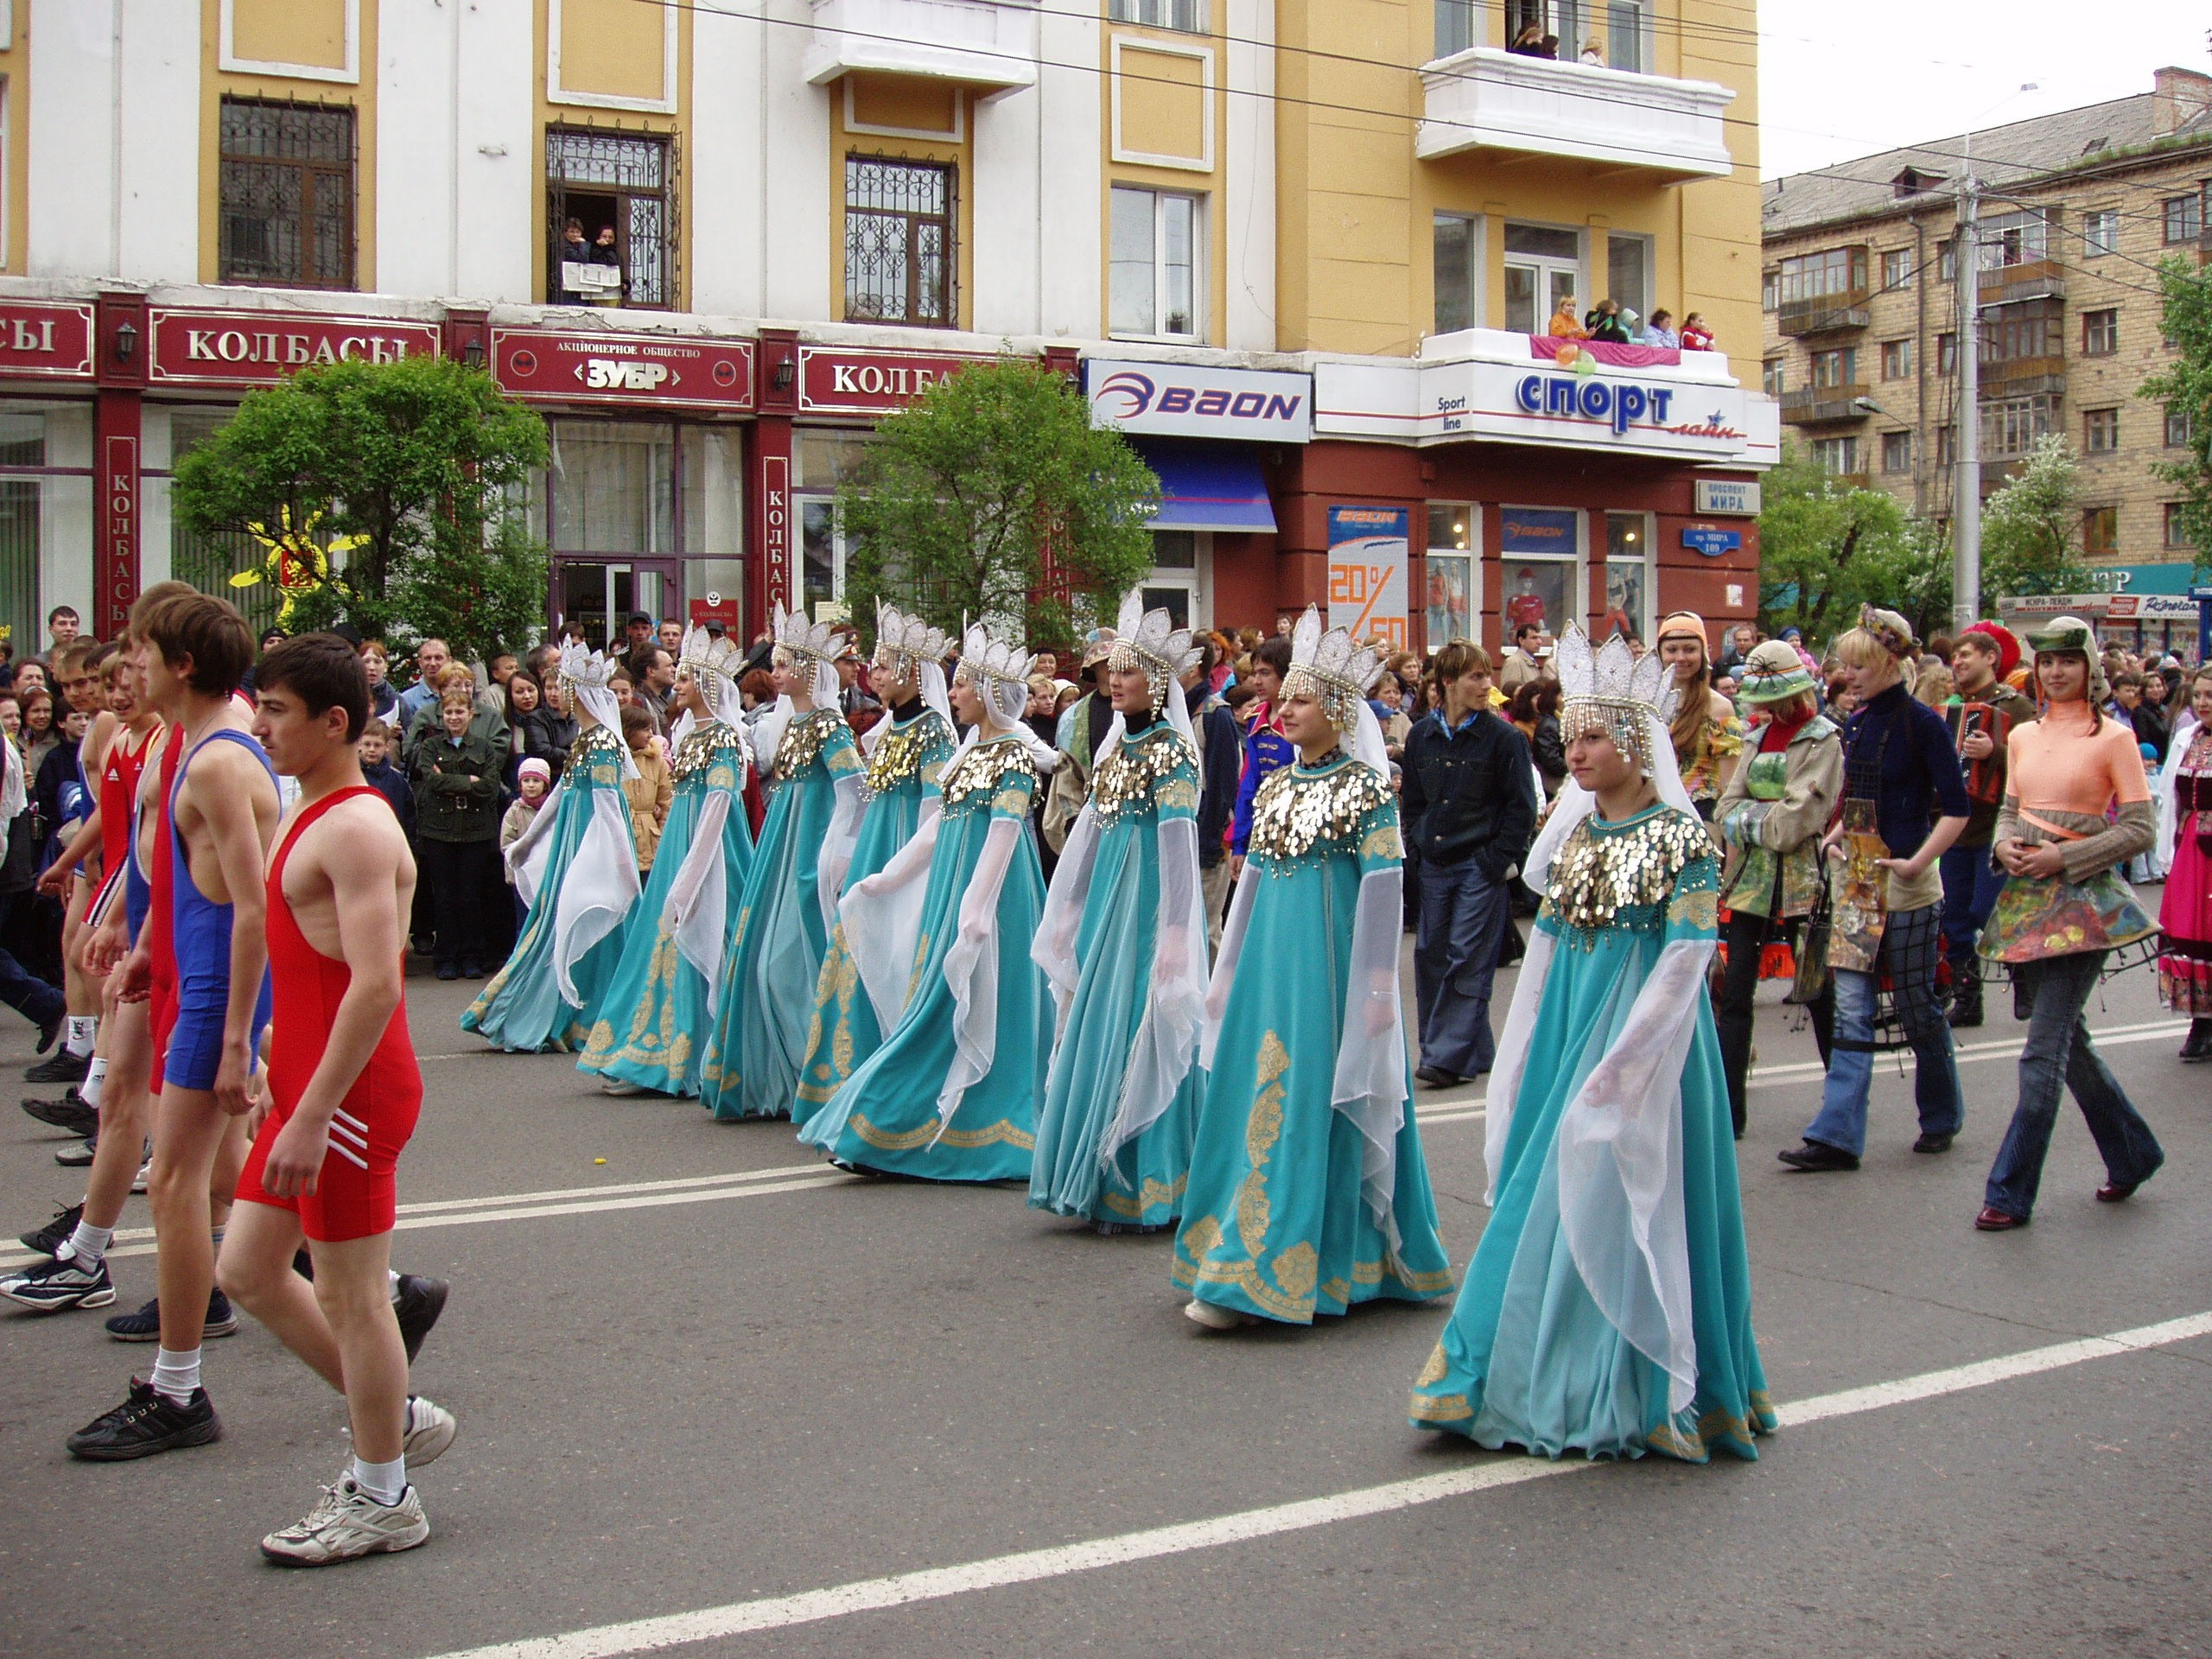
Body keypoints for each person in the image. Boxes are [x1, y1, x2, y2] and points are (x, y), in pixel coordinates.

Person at [1409, 625, 1773, 1463]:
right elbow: (1543, 956)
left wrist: (1625, 1068)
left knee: (1632, 1198)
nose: (1574, 751)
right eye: (1569, 736)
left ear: (1639, 745)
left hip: (1647, 1046)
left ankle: (1633, 1388)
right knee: (1548, 1191)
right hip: (1573, 1031)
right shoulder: (1573, 839)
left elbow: (1683, 963)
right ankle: (1515, 1373)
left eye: (1594, 735)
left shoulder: (1680, 841)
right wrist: (1527, 1049)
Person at [205, 634, 454, 1561]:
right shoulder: (302, 811)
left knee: (353, 1296)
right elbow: (305, 963)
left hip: (349, 1097)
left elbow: (378, 984)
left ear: (334, 722)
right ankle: (396, 1414)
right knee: (249, 1273)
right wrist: (274, 1050)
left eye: (274, 711)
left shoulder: (355, 826)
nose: (260, 724)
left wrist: (312, 1109)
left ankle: (385, 1495)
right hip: (309, 1080)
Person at [1175, 607, 1451, 1329]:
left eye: (1299, 698)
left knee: (1308, 1099)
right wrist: (1226, 973)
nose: (1282, 709)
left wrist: (1379, 992)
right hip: (1270, 965)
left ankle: (1270, 1270)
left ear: (1336, 707)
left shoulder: (1365, 789)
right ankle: (1240, 1251)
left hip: (1329, 975)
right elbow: (1252, 887)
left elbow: (1385, 892)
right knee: (1256, 1095)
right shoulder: (1278, 786)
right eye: (1282, 697)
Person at [64, 591, 280, 1459]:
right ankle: (372, 1299)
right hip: (192, 978)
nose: (131, 666)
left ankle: (179, 1389)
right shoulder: (185, 744)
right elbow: (186, 875)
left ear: (183, 665)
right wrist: (147, 941)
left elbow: (255, 908)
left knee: (178, 1185)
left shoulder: (221, 760)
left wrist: (233, 1036)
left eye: (144, 651)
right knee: (207, 1179)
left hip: (217, 990)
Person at [799, 621, 1055, 1180]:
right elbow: (941, 824)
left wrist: (977, 910)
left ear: (988, 694)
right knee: (936, 1005)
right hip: (953, 892)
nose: (954, 693)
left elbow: (1004, 835)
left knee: (971, 1004)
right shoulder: (970, 751)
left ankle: (962, 1129)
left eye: (963, 685)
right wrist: (888, 878)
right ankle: (891, 1127)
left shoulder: (1011, 756)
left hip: (995, 903)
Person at [1974, 618, 2164, 1230]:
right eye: (2047, 661)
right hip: (2027, 899)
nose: (2056, 672)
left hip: (2084, 905)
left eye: (2068, 661)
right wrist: (2004, 846)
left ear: (2089, 668)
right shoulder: (2024, 734)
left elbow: (2140, 829)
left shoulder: (2114, 738)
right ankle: (2133, 1153)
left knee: (2042, 1050)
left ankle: (2008, 1191)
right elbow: (2009, 808)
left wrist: (2065, 856)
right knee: (2064, 1042)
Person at [1031, 598, 1207, 1230]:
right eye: (1112, 671)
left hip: (1149, 908)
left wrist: (1179, 935)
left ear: (1157, 681)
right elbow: (1091, 837)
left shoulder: (1171, 753)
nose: (1114, 680)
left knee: (1144, 1023)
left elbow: (1181, 853)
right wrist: (1069, 908)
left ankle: (1150, 1179)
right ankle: (1091, 1171)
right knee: (1099, 1023)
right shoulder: (1117, 747)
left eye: (1128, 671)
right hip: (1111, 903)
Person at [1779, 607, 1972, 1174]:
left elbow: (1956, 809)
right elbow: (1861, 798)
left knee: (1916, 1007)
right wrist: (1834, 838)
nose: (1848, 674)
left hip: (1908, 888)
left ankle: (1941, 1115)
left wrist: (1917, 863)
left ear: (1891, 661)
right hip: (1859, 884)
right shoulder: (1858, 721)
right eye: (1845, 664)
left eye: (1859, 664)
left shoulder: (1923, 723)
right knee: (1852, 1013)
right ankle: (1836, 1135)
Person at [792, 604, 956, 1122]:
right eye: (876, 665)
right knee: (855, 959)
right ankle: (846, 1087)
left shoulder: (933, 732)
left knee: (894, 961)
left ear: (911, 672)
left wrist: (907, 877)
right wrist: (847, 854)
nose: (874, 674)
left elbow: (934, 813)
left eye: (885, 666)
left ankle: (889, 1097)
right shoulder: (889, 730)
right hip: (873, 851)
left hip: (903, 856)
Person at [700, 607, 862, 1121]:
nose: (778, 672)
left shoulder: (830, 728)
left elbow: (854, 792)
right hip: (782, 847)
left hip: (808, 853)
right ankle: (788, 1076)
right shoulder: (795, 725)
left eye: (788, 664)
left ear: (812, 671)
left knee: (788, 967)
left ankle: (819, 1077)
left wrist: (836, 849)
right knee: (767, 963)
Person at [580, 627, 755, 1098]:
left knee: (712, 932)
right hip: (681, 838)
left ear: (711, 685)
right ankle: (646, 1047)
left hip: (712, 849)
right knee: (657, 942)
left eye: (689, 676)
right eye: (678, 674)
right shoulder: (683, 730)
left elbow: (719, 805)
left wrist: (691, 875)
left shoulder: (725, 737)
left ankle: (704, 1051)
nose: (678, 681)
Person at [462, 642, 642, 1052]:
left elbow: (610, 809)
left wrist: (624, 869)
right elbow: (561, 793)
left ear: (579, 693)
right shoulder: (584, 740)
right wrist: (526, 841)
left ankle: (576, 1015)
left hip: (592, 845)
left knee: (586, 920)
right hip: (574, 841)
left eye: (563, 687)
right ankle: (557, 1011)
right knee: (558, 920)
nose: (556, 694)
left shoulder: (601, 744)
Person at [1712, 643, 1841, 1138]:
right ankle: (1730, 1112)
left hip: (1804, 881)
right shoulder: (1757, 736)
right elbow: (1726, 805)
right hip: (1748, 881)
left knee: (1816, 990)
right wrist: (1763, 817)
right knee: (1737, 991)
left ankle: (1841, 1106)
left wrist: (1750, 819)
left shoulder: (1823, 739)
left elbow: (1799, 820)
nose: (1768, 706)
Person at [1402, 640, 1538, 1089]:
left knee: (1467, 956)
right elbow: (1415, 801)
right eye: (1476, 677)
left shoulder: (1505, 738)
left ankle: (1444, 1056)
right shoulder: (1421, 735)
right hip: (1436, 863)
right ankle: (1471, 1049)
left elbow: (1522, 807)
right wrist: (1418, 847)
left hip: (1479, 866)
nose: (1486, 685)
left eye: (1487, 675)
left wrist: (1497, 861)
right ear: (1447, 683)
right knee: (1430, 955)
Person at [1940, 623, 2036, 1029]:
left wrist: (1995, 750)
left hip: (1997, 829)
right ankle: (1968, 999)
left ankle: (2025, 975)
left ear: (1990, 658)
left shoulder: (2016, 707)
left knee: (1989, 910)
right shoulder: (1951, 706)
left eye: (1966, 655)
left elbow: (2036, 764)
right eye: (1955, 657)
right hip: (1956, 827)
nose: (1957, 662)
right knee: (1955, 918)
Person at [410, 687, 505, 981]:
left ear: (470, 715)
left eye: (459, 712)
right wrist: (468, 782)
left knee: (470, 896)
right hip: (439, 830)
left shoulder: (484, 747)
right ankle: (446, 957)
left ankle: (471, 956)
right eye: (449, 712)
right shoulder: (431, 747)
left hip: (475, 831)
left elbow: (489, 786)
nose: (454, 717)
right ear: (442, 715)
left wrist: (450, 781)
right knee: (445, 897)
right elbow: (430, 782)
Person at [2157, 665, 2212, 1058]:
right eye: (2200, 696)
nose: (2205, 703)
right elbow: (2170, 798)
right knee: (2192, 931)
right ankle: (2200, 1021)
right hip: (2192, 848)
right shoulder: (2187, 737)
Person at [1654, 613, 1745, 820]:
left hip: (1701, 818)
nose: (1680, 658)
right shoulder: (1648, 704)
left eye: (1690, 649)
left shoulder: (1719, 709)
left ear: (1702, 653)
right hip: (1652, 817)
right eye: (1672, 650)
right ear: (1659, 654)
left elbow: (1729, 783)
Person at [1041, 629, 1118, 856]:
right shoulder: (1075, 717)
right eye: (1106, 661)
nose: (1113, 667)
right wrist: (1077, 823)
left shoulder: (1136, 709)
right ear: (1093, 666)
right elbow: (1066, 781)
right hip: (1087, 821)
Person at [1228, 634, 1296, 880]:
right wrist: (1240, 843)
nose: (1257, 681)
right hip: (1262, 828)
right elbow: (1250, 783)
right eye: (1255, 673)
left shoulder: (1303, 718)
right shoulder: (1256, 717)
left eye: (1265, 673)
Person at [618, 705, 672, 872]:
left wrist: (662, 834)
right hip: (622, 835)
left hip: (650, 840)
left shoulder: (657, 761)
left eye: (651, 729)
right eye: (645, 730)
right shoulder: (615, 760)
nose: (650, 735)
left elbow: (666, 801)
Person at [357, 718, 412, 840]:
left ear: (387, 746)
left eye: (377, 745)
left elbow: (406, 817)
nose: (372, 749)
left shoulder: (397, 780)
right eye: (367, 744)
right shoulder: (350, 776)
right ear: (359, 744)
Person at [393, 638, 452, 731]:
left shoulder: (460, 693)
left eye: (438, 658)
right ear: (420, 663)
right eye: (428, 658)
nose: (433, 663)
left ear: (449, 661)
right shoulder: (407, 700)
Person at [1498, 622, 1546, 693]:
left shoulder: (1530, 661)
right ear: (1521, 641)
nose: (1539, 642)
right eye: (1534, 638)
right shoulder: (1514, 662)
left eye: (1539, 638)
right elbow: (1509, 693)